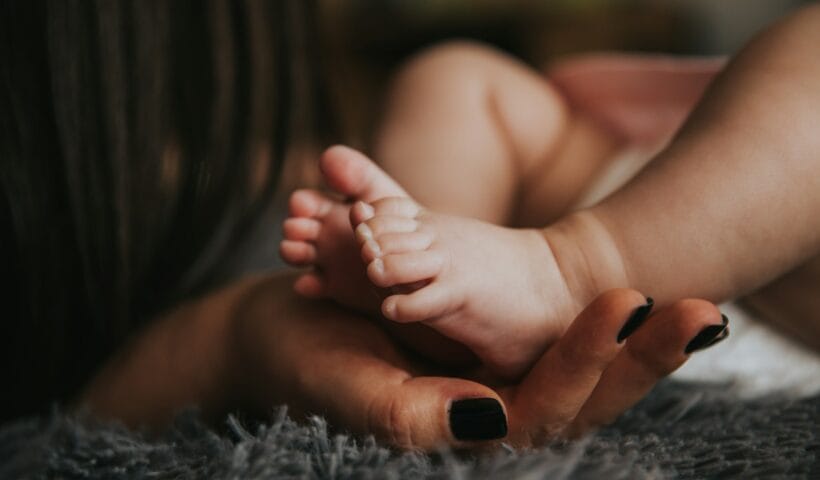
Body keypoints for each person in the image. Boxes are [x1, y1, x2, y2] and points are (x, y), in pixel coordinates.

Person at [0, 0, 726, 451]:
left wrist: (234, 332)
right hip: (591, 207)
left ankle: (466, 286)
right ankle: (449, 289)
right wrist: (231, 337)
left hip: (681, 247)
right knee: (449, 76)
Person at [281, 4, 820, 379]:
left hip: (781, 302)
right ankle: (436, 284)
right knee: (455, 76)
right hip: (633, 186)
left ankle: (568, 272)